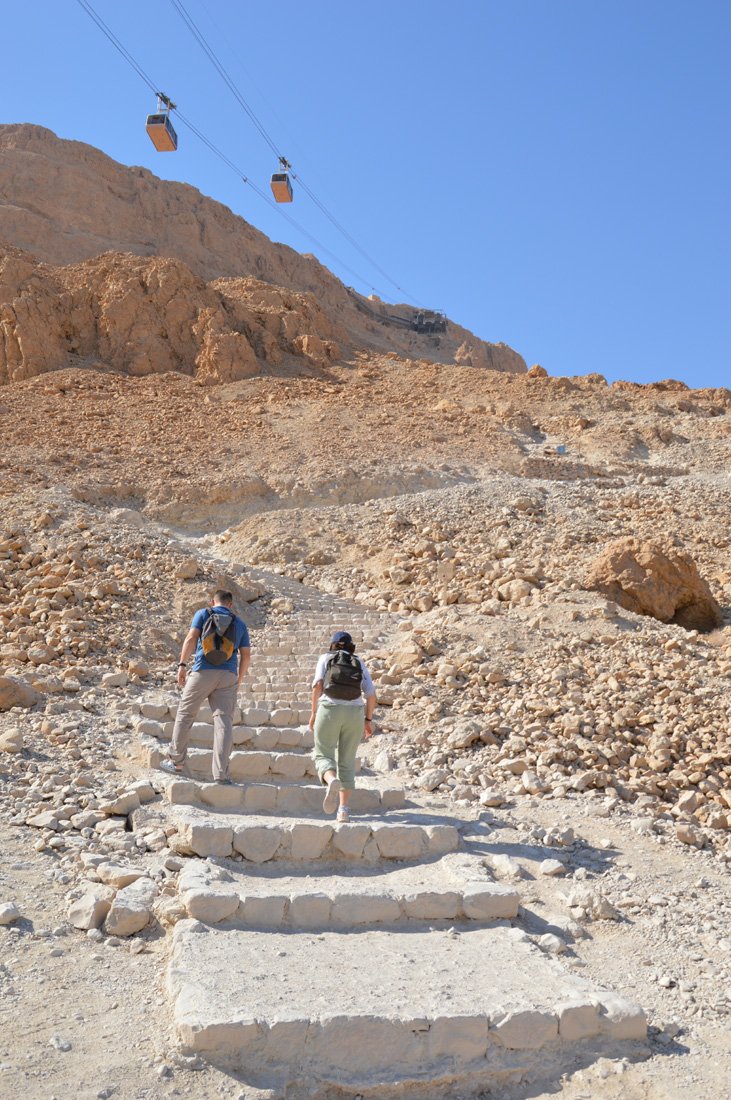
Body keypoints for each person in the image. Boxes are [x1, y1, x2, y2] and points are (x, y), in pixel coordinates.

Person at [160, 590, 250, 784]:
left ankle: (176, 762)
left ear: (213, 602)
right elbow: (246, 655)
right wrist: (238, 679)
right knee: (224, 723)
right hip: (228, 675)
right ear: (230, 604)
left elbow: (191, 639)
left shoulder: (203, 614)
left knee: (186, 714)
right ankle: (221, 774)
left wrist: (182, 665)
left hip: (203, 670)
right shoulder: (239, 623)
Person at [309, 630, 377, 823]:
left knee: (323, 754)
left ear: (332, 644)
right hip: (355, 713)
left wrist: (314, 713)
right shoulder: (359, 662)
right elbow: (371, 694)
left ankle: (331, 780)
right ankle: (343, 811)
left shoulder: (325, 658)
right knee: (347, 761)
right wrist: (368, 720)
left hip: (329, 709)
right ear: (351, 647)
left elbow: (317, 686)